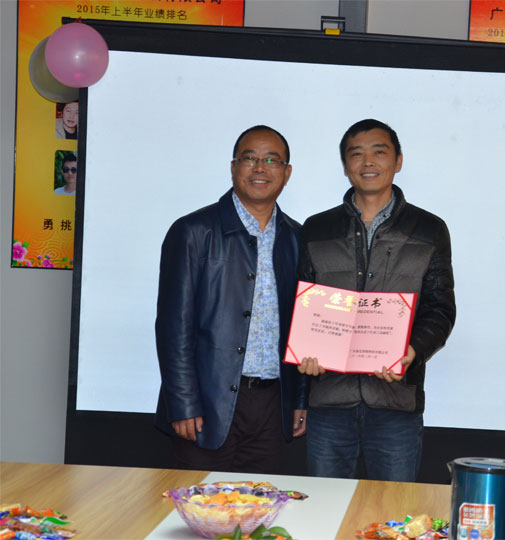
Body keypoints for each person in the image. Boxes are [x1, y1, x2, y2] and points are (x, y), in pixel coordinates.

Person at [297, 119, 456, 482]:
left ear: (398, 160)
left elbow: (440, 308)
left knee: (391, 509)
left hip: (395, 402)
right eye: (356, 154)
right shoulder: (317, 228)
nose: (368, 162)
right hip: (329, 401)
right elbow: (302, 304)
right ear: (345, 165)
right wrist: (304, 351)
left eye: (379, 152)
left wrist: (412, 351)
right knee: (326, 507)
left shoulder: (429, 229)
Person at [155, 125, 307, 473]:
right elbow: (173, 327)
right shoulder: (193, 232)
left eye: (272, 160)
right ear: (233, 167)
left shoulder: (297, 238)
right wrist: (183, 403)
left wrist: (299, 399)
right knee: (200, 504)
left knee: (260, 503)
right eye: (249, 158)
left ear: (287, 173)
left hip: (272, 407)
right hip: (207, 405)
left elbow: (301, 328)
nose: (260, 168)